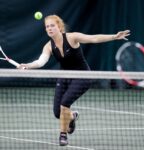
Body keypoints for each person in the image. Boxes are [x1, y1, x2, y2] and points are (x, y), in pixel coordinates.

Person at [19, 14, 130, 146]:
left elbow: (93, 39)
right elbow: (40, 62)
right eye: (47, 27)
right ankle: (72, 116)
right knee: (57, 113)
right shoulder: (48, 46)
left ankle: (63, 135)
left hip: (83, 76)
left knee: (64, 103)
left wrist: (114, 36)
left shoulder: (72, 37)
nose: (49, 28)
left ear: (59, 27)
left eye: (52, 25)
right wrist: (27, 66)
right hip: (65, 76)